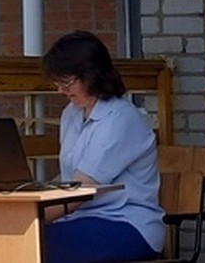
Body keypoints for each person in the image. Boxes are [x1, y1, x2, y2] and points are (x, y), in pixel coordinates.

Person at [41, 30, 165, 263]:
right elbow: (68, 178)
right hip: (79, 220)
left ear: (91, 74)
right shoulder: (71, 113)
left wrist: (30, 218)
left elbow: (80, 191)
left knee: (31, 244)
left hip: (126, 224)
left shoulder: (120, 118)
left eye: (67, 82)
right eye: (58, 82)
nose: (60, 90)